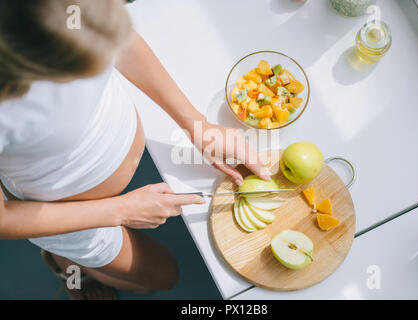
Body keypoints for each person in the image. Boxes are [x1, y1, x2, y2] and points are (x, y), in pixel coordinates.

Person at [0, 0, 270, 299]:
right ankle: (67, 261)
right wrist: (120, 211)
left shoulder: (75, 10)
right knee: (162, 278)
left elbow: (123, 43)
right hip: (57, 212)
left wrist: (197, 125)